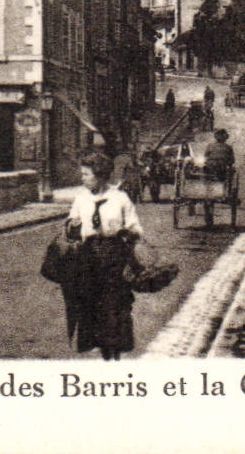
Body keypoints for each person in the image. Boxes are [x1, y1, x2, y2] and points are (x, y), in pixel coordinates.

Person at [61, 151, 143, 361]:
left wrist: (126, 234)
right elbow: (71, 225)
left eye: (86, 174)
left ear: (99, 175)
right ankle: (102, 349)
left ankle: (114, 352)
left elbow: (135, 228)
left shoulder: (120, 198)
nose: (83, 178)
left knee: (115, 306)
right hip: (88, 258)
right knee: (91, 305)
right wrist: (73, 225)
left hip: (115, 256)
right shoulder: (81, 198)